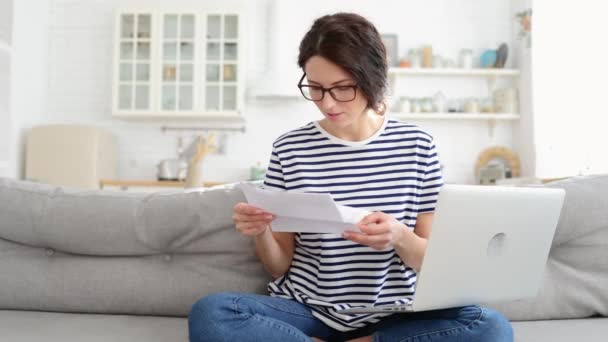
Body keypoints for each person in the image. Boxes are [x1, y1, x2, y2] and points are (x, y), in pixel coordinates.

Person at [188, 12, 513, 342]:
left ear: (371, 79)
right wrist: (261, 232)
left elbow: (430, 262)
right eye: (315, 88)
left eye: (342, 88)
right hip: (310, 311)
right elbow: (279, 266)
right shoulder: (290, 148)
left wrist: (400, 237)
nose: (326, 102)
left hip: (395, 314)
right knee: (213, 314)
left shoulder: (418, 146)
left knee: (491, 327)